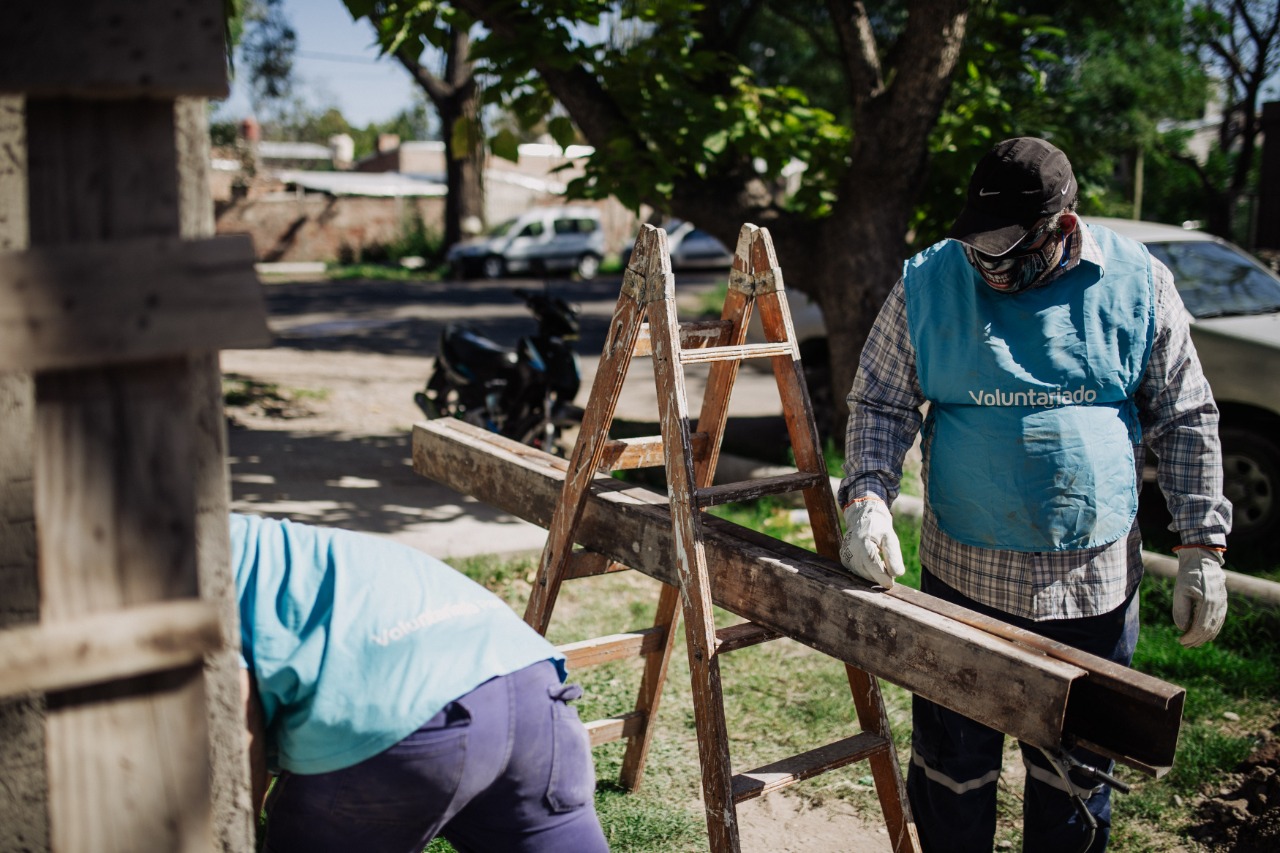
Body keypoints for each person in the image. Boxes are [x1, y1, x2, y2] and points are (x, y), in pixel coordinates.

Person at [837, 137, 1231, 853]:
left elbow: (1185, 416)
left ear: (1064, 224)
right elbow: (880, 403)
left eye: (1009, 249)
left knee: (1075, 784)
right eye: (978, 248)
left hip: (1093, 589)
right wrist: (867, 497)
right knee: (953, 772)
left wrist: (1202, 544)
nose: (990, 266)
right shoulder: (928, 279)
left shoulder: (1139, 281)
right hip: (966, 584)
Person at [230, 512, 609, 853]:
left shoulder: (188, 570)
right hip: (527, 685)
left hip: (397, 721)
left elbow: (231, 732)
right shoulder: (267, 542)